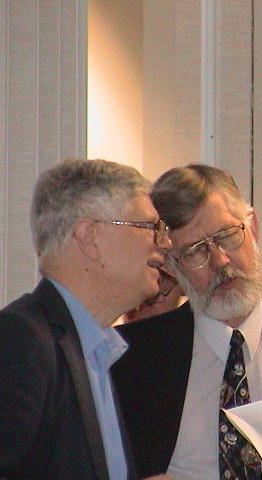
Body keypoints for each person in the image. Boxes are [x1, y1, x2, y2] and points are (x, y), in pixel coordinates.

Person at [112, 164, 262, 480]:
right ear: (170, 265)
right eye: (195, 251)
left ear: (253, 228)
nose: (220, 260)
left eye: (227, 236)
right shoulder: (128, 358)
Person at [0, 158, 171, 480]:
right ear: (90, 237)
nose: (165, 242)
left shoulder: (97, 350)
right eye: (150, 228)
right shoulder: (21, 341)